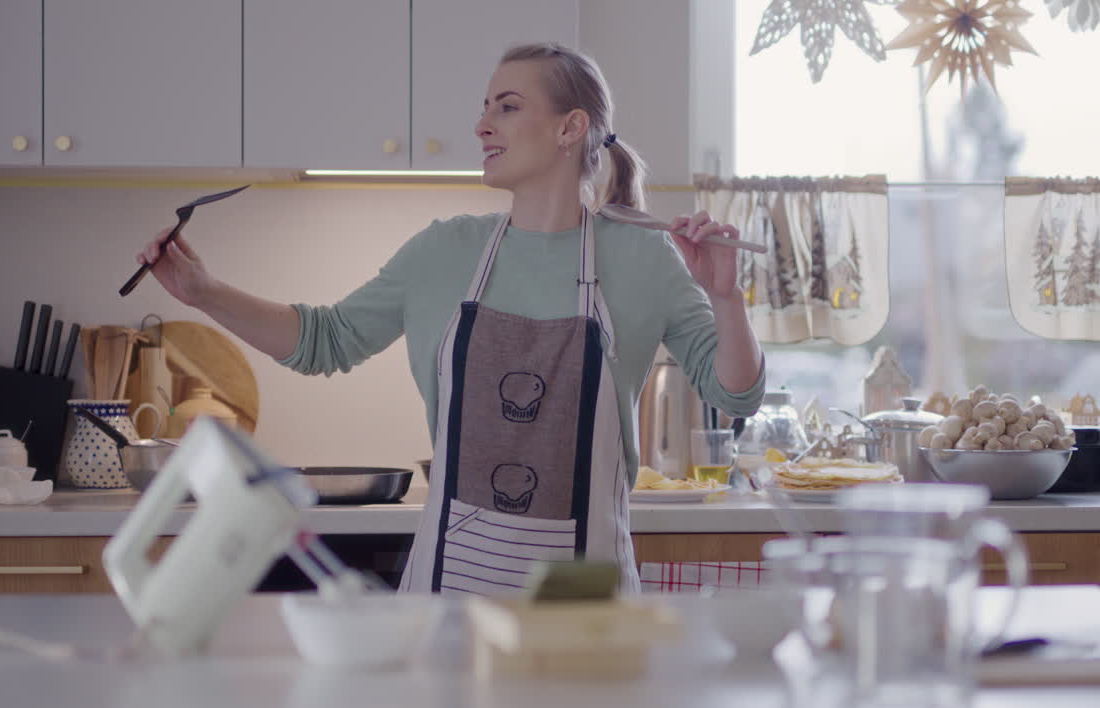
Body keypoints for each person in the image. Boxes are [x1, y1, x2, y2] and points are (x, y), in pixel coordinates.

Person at [136, 43, 765, 594]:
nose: (482, 124)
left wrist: (725, 297)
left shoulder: (642, 256)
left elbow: (736, 391)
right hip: (450, 596)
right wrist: (202, 290)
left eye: (507, 107)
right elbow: (322, 342)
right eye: (485, 106)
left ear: (571, 128)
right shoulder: (445, 251)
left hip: (585, 603)